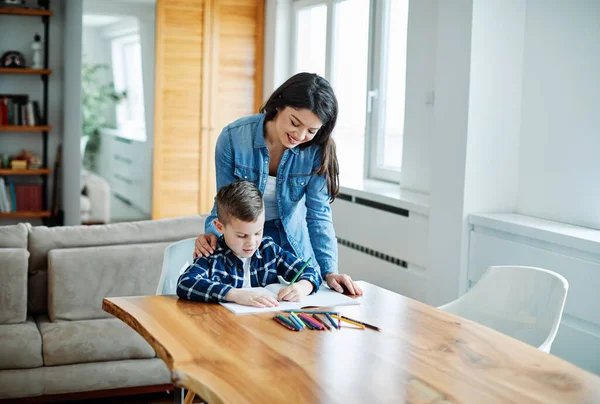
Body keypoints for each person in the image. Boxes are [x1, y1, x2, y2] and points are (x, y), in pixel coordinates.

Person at [194, 72, 363, 296]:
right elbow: (225, 201)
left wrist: (330, 271)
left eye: (312, 131)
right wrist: (212, 234)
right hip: (249, 240)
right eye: (295, 122)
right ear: (279, 105)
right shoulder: (233, 138)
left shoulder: (318, 150)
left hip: (294, 246)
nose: (300, 135)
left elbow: (318, 214)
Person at [178, 181, 320, 308]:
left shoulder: (269, 250)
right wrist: (235, 295)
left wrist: (302, 287)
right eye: (241, 235)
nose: (251, 243)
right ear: (220, 227)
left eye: (258, 233)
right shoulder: (212, 255)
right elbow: (185, 283)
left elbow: (310, 271)